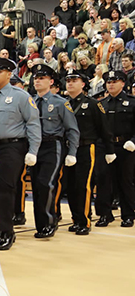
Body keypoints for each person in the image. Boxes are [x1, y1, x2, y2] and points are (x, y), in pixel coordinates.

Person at [0, 58, 42, 249]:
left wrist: (33, 150)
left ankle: (6, 231)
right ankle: (2, 230)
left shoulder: (21, 96)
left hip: (13, 146)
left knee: (5, 187)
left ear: (9, 74)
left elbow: (33, 124)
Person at [30, 64, 79, 238]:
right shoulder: (31, 102)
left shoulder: (60, 102)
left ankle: (50, 222)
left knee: (46, 183)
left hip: (53, 146)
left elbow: (72, 129)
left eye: (41, 78)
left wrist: (72, 152)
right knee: (36, 186)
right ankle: (40, 224)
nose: (37, 80)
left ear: (51, 81)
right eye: (35, 77)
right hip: (35, 147)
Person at [62, 70, 114, 235]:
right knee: (70, 186)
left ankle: (85, 220)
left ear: (83, 84)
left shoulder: (92, 103)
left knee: (83, 185)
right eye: (68, 80)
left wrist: (109, 150)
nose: (70, 83)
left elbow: (104, 129)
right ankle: (75, 219)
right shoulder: (63, 103)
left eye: (74, 80)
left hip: (86, 147)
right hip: (68, 149)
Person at [97, 70, 135, 228]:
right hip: (106, 146)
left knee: (125, 180)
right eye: (108, 82)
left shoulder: (132, 102)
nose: (111, 84)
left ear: (123, 83)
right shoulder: (101, 104)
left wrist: (133, 141)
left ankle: (128, 214)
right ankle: (105, 214)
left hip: (126, 146)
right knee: (103, 180)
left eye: (114, 81)